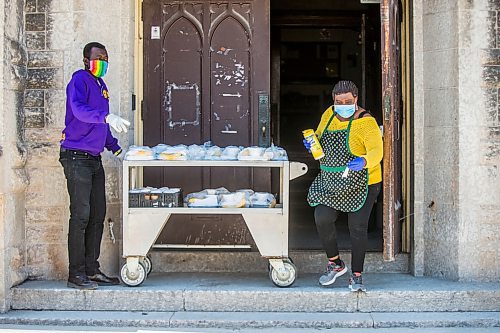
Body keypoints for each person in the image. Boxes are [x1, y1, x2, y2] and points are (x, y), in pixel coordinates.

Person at [59, 42, 130, 290]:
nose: (103, 60)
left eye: (106, 57)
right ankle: (75, 274)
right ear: (86, 59)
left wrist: (116, 147)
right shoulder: (79, 79)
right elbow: (79, 111)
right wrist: (106, 116)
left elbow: (100, 125)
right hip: (75, 157)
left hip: (94, 158)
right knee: (81, 216)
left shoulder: (102, 86)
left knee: (97, 215)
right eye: (98, 57)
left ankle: (92, 269)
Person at [304, 80, 383, 292]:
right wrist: (313, 144)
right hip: (332, 181)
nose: (344, 104)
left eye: (348, 101)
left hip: (363, 182)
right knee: (322, 217)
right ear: (334, 100)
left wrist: (364, 161)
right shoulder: (328, 115)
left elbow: (377, 151)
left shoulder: (367, 123)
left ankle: (357, 275)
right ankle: (336, 263)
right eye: (339, 101)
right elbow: (320, 138)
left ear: (356, 99)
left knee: (357, 227)